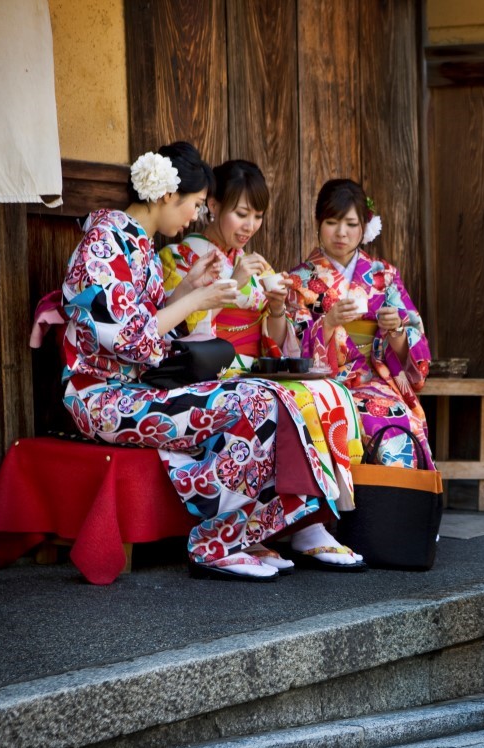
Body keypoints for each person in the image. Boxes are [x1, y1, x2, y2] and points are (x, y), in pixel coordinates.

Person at [61, 142, 348, 582]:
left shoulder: (135, 244)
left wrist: (183, 292)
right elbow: (129, 337)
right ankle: (217, 543)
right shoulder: (106, 242)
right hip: (102, 398)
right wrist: (197, 298)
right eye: (195, 204)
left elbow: (152, 327)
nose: (195, 215)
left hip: (138, 388)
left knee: (269, 396)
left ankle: (246, 534)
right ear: (164, 196)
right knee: (256, 403)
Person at [160, 160, 366, 571]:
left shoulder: (259, 264)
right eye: (241, 213)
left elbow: (277, 336)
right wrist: (234, 283)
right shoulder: (178, 257)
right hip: (212, 369)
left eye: (257, 216)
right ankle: (251, 532)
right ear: (212, 205)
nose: (249, 225)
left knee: (327, 392)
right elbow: (178, 331)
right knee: (284, 404)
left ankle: (309, 522)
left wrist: (275, 309)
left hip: (255, 367)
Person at [285, 179, 433, 468]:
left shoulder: (385, 275)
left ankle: (399, 506)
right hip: (323, 383)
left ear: (364, 227)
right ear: (318, 222)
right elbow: (291, 348)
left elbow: (413, 339)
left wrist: (397, 331)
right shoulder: (299, 281)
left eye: (352, 224)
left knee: (398, 425)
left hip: (377, 379)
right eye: (332, 222)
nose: (342, 233)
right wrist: (327, 324)